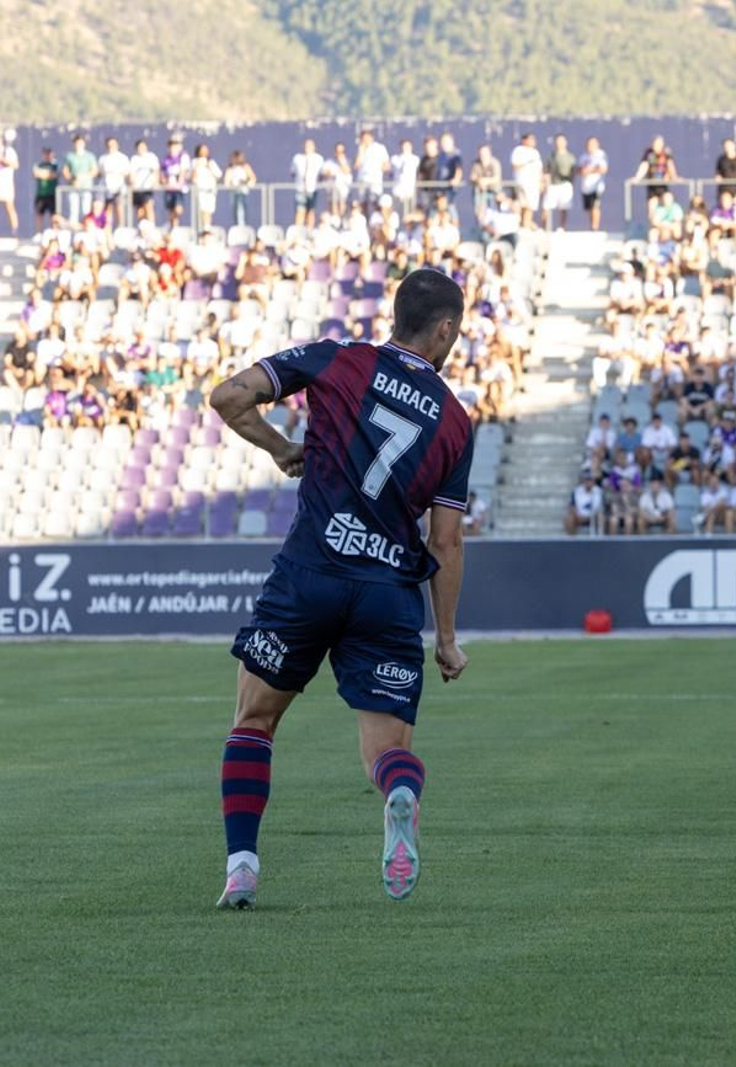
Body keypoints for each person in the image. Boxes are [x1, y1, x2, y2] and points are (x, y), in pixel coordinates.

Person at [208, 269, 476, 909]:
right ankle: (399, 795)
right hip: (386, 590)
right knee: (386, 750)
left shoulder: (337, 360)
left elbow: (228, 397)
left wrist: (280, 448)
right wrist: (446, 640)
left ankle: (242, 866)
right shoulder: (456, 422)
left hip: (309, 574)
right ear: (444, 330)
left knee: (254, 721)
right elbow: (446, 543)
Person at [577, 136, 608, 231]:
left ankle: (595, 227)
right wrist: (584, 171)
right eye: (589, 144)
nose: (590, 146)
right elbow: (579, 171)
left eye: (593, 144)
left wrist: (590, 169)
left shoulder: (601, 155)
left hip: (596, 187)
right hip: (586, 187)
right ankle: (591, 226)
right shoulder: (583, 157)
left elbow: (603, 169)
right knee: (589, 208)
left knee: (595, 206)